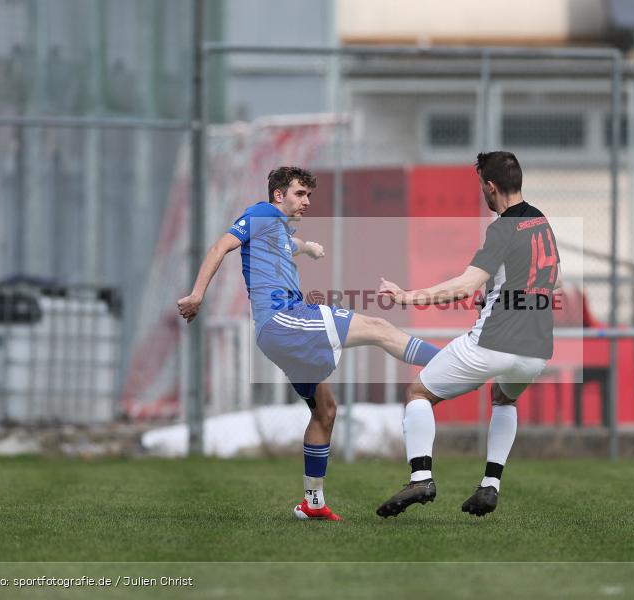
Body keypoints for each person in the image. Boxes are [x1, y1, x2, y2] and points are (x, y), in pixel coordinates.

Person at [177, 166, 441, 521]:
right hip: (286, 320)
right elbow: (220, 246)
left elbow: (291, 245)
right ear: (278, 195)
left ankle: (312, 504)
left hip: (276, 333)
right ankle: (452, 365)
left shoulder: (277, 230)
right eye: (300, 194)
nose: (307, 201)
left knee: (325, 411)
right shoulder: (262, 213)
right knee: (379, 327)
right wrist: (197, 294)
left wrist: (309, 248)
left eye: (309, 195)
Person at [376, 151, 561, 518]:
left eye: (481, 187)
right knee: (503, 399)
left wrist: (407, 296)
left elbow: (465, 285)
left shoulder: (502, 228)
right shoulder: (541, 222)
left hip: (494, 342)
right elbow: (550, 281)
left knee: (418, 392)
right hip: (537, 349)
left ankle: (421, 477)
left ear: (490, 187)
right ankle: (490, 485)